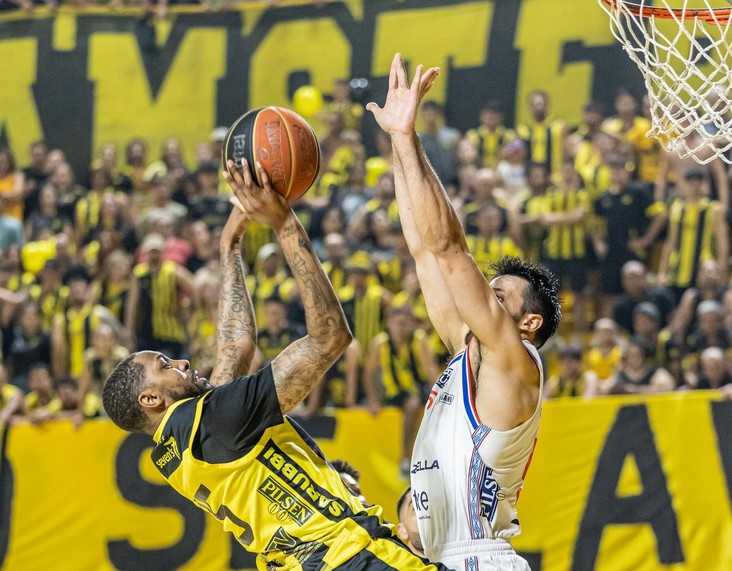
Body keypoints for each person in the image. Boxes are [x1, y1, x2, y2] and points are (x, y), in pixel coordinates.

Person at [103, 159, 447, 571]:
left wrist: (229, 246)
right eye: (165, 364)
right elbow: (329, 337)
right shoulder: (217, 418)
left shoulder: (178, 445)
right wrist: (285, 223)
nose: (181, 360)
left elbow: (236, 346)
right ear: (151, 397)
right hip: (350, 557)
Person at [368, 54, 561, 571]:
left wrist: (411, 138)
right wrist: (395, 138)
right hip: (442, 559)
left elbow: (451, 248)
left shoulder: (512, 357)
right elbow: (424, 250)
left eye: (498, 295)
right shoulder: (465, 351)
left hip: (480, 559)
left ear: (528, 323)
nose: (482, 297)